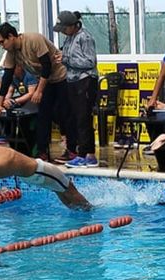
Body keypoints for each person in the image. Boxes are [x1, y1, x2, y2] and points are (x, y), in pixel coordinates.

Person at [0, 22, 73, 162]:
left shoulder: (33, 39)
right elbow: (7, 78)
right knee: (43, 115)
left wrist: (39, 91)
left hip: (60, 76)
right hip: (45, 79)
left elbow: (47, 66)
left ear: (11, 36)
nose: (2, 46)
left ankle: (71, 149)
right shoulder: (11, 53)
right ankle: (42, 152)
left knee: (62, 113)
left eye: (2, 42)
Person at [54, 11, 99, 168]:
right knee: (75, 118)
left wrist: (66, 59)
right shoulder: (69, 38)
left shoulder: (84, 37)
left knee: (83, 118)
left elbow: (90, 61)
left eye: (64, 29)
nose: (62, 32)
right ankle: (87, 154)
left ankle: (85, 154)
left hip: (85, 81)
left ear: (72, 25)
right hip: (72, 80)